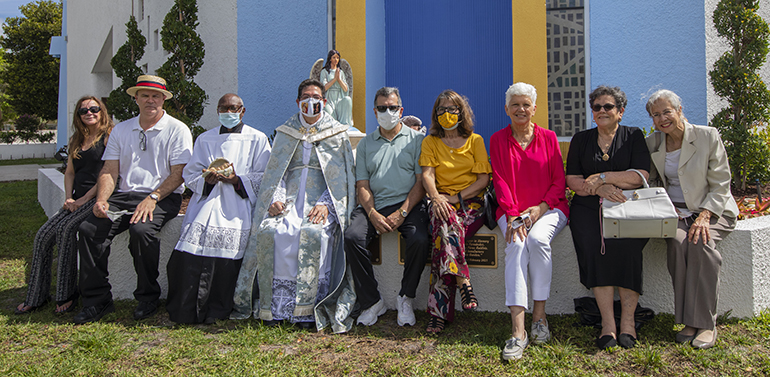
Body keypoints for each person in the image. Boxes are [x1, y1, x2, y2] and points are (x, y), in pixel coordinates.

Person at [232, 79, 357, 333]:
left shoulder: (337, 133)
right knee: (270, 232)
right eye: (306, 96)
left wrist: (326, 205)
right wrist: (275, 196)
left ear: (324, 101)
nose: (311, 101)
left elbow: (342, 178)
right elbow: (275, 171)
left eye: (317, 97)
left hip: (320, 199)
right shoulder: (286, 132)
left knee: (313, 234)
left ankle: (309, 309)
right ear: (298, 102)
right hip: (288, 199)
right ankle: (274, 308)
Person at [74, 75, 193, 324]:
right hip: (123, 196)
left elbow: (179, 173)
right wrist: (102, 200)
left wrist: (153, 197)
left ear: (164, 99)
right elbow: (109, 170)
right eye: (145, 95)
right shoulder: (121, 129)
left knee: (141, 230)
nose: (150, 100)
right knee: (88, 229)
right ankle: (98, 301)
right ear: (136, 98)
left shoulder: (177, 129)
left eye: (156, 95)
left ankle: (148, 297)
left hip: (162, 196)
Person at [165, 93, 271, 324]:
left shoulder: (258, 138)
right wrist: (206, 180)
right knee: (188, 252)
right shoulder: (205, 139)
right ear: (217, 111)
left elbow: (265, 176)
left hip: (238, 204)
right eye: (223, 109)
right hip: (208, 202)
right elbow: (190, 173)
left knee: (228, 254)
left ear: (242, 111)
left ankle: (218, 310)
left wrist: (236, 180)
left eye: (233, 109)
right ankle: (187, 311)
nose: (228, 113)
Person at [645, 89, 738, 349]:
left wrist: (705, 214)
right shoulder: (653, 142)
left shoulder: (707, 136)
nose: (663, 119)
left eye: (667, 112)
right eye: (656, 115)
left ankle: (706, 324)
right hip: (675, 212)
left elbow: (721, 182)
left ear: (679, 110)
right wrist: (664, 204)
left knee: (701, 244)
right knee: (676, 243)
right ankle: (688, 321)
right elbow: (651, 180)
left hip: (712, 210)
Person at [566, 85, 650, 350]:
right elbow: (572, 179)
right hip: (588, 207)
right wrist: (599, 189)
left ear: (621, 111)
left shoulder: (634, 136)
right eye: (597, 107)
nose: (601, 111)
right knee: (594, 247)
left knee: (627, 249)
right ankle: (607, 325)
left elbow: (640, 176)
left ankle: (627, 323)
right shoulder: (581, 139)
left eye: (608, 107)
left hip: (627, 207)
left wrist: (604, 177)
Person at [490, 83, 569, 360]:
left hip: (550, 208)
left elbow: (559, 180)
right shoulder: (498, 139)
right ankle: (518, 331)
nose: (521, 109)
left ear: (534, 109)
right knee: (517, 245)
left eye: (526, 105)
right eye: (515, 105)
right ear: (507, 109)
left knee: (536, 240)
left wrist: (540, 208)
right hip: (511, 210)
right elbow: (500, 181)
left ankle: (540, 318)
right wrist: (514, 215)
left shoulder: (548, 137)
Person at [15, 96, 114, 315]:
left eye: (94, 109)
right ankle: (36, 296)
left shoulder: (109, 137)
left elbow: (108, 173)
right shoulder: (77, 139)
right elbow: (70, 172)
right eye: (83, 110)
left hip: (95, 198)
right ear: (78, 115)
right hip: (75, 200)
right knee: (42, 235)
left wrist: (84, 199)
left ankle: (66, 294)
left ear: (102, 111)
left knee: (67, 230)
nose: (89, 113)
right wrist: (69, 198)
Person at [344, 87, 429, 327]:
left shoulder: (417, 141)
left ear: (401, 110)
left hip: (408, 204)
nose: (387, 112)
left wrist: (402, 212)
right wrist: (371, 213)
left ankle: (406, 296)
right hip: (375, 205)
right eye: (382, 108)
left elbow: (421, 182)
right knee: (352, 237)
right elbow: (362, 185)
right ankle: (372, 301)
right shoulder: (365, 145)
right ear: (375, 111)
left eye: (392, 108)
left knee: (420, 239)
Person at [420, 89, 492, 334]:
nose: (446, 113)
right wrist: (437, 197)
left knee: (444, 234)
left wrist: (455, 197)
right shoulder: (430, 142)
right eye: (441, 109)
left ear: (461, 112)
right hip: (441, 202)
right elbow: (427, 175)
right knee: (445, 226)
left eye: (452, 109)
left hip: (470, 203)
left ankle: (437, 314)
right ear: (435, 113)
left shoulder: (476, 140)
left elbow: (483, 180)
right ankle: (463, 281)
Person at [320, 49, 353, 126]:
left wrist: (339, 79)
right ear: (330, 59)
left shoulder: (340, 72)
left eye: (337, 58)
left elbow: (345, 89)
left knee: (348, 99)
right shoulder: (324, 72)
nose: (336, 60)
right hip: (328, 99)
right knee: (330, 119)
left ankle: (345, 125)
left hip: (339, 98)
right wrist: (334, 79)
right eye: (334, 57)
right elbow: (324, 88)